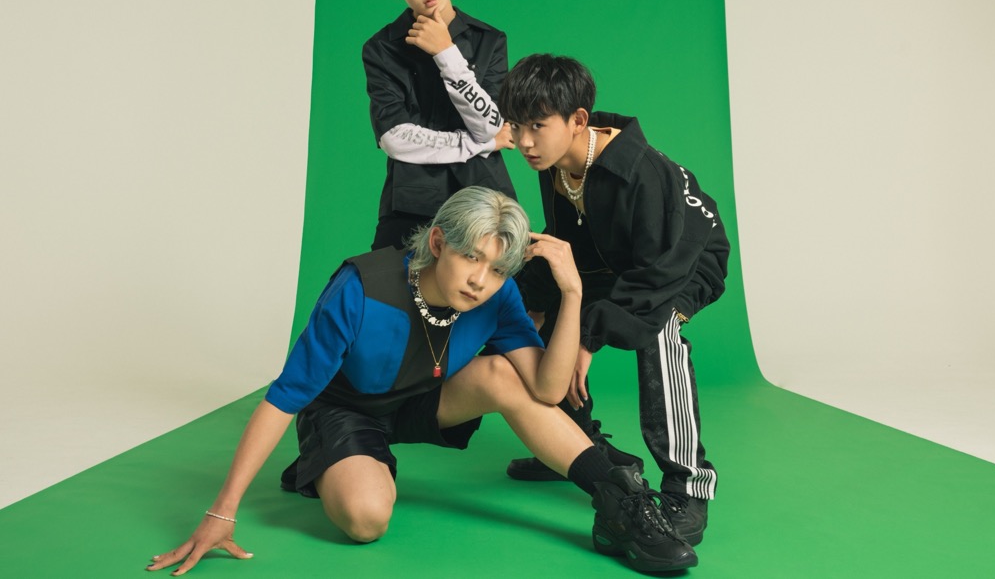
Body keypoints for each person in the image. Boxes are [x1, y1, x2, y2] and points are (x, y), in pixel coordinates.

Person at [145, 187, 698, 576]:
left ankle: (621, 503)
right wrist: (222, 511)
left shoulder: (498, 296)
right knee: (366, 520)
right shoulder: (361, 288)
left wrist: (572, 293)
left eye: (497, 269)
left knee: (503, 374)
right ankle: (334, 462)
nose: (480, 280)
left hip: (422, 399)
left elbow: (548, 390)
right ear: (437, 243)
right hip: (345, 409)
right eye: (470, 258)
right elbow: (284, 397)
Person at [497, 54, 730, 547]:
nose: (524, 142)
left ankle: (689, 484)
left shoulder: (642, 174)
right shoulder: (556, 160)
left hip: (682, 263)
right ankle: (574, 444)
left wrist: (588, 338)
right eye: (516, 126)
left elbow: (655, 276)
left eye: (537, 126)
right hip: (612, 257)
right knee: (533, 308)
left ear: (577, 120)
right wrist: (540, 302)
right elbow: (570, 242)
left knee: (657, 332)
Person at [364, 0, 517, 250]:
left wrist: (446, 53)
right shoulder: (381, 48)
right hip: (411, 198)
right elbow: (394, 138)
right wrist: (480, 145)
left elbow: (491, 125)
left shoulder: (489, 40)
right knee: (385, 278)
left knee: (499, 279)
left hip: (484, 195)